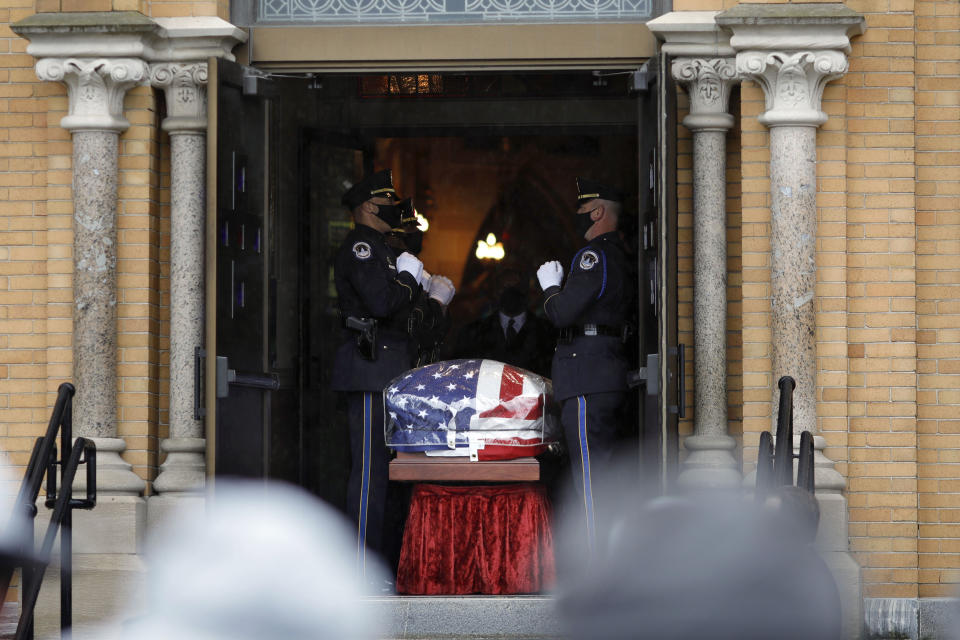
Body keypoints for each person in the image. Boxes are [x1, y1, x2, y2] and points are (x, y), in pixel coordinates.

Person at [332, 170, 425, 578]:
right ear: (370, 206)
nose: (395, 208)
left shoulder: (382, 247)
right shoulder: (361, 247)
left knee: (393, 471)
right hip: (370, 367)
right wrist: (407, 277)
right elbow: (382, 303)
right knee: (370, 472)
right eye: (388, 201)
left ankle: (382, 563)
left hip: (389, 368)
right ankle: (360, 570)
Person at [536, 177, 635, 554]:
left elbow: (562, 313)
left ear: (596, 212)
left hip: (587, 373)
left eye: (580, 211)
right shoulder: (621, 253)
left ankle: (597, 566)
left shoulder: (592, 256)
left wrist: (549, 288)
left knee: (590, 478)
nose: (575, 218)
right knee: (602, 475)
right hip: (604, 371)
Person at [453, 268, 554, 377]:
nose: (510, 294)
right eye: (504, 288)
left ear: (527, 292)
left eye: (516, 288)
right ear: (495, 292)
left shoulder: (547, 332)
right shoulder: (474, 333)